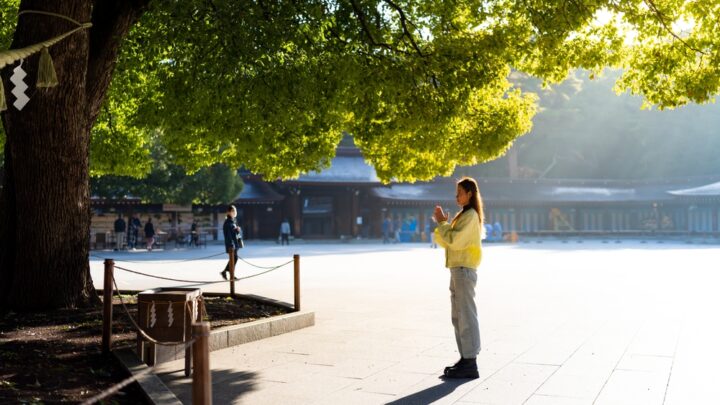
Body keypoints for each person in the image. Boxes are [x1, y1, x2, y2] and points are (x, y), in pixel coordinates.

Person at [433, 177, 483, 379]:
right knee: (458, 316)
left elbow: (453, 240)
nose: (457, 197)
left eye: (459, 193)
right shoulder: (464, 215)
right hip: (457, 270)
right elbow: (449, 241)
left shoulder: (470, 215)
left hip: (463, 269)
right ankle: (465, 358)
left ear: (470, 193)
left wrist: (442, 223)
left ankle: (470, 362)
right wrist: (445, 224)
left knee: (466, 315)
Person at [221, 205, 243, 280]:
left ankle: (226, 272)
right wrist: (231, 245)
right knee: (234, 258)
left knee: (234, 259)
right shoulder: (228, 222)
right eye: (233, 211)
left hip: (234, 244)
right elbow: (228, 235)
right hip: (232, 245)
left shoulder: (232, 221)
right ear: (229, 212)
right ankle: (230, 274)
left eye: (235, 211)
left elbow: (233, 233)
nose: (234, 212)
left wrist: (237, 230)